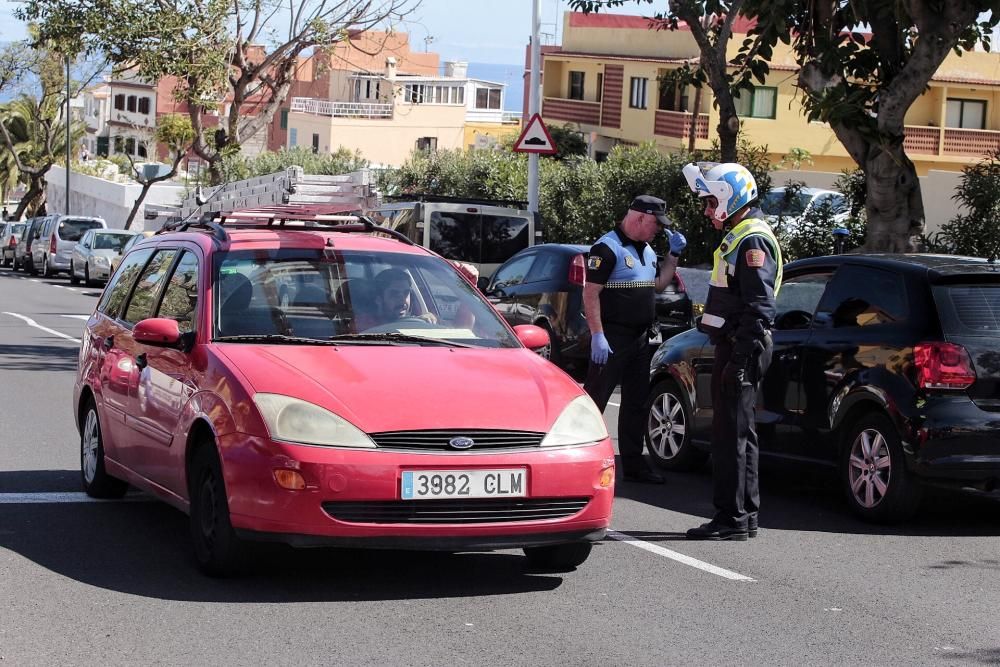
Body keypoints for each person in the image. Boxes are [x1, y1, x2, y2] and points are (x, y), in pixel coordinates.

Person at [681, 162, 783, 541]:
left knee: (730, 437)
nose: (707, 211)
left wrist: (738, 361)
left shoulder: (751, 240)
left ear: (730, 197)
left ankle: (732, 518)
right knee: (740, 434)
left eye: (711, 202)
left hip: (743, 347)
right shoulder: (742, 234)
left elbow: (760, 307)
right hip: (739, 344)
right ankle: (744, 516)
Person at [584, 195, 687, 484]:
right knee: (595, 401)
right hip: (612, 338)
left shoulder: (648, 250)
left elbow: (658, 285)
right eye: (657, 224)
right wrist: (597, 334)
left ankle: (633, 464)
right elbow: (590, 293)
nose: (659, 230)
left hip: (640, 338)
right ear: (640, 218)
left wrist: (673, 256)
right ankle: (582, 462)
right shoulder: (607, 248)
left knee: (636, 403)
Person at [357, 268, 437, 329]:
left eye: (406, 293)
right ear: (378, 299)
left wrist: (430, 320)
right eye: (394, 294)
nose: (403, 300)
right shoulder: (363, 325)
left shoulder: (417, 321)